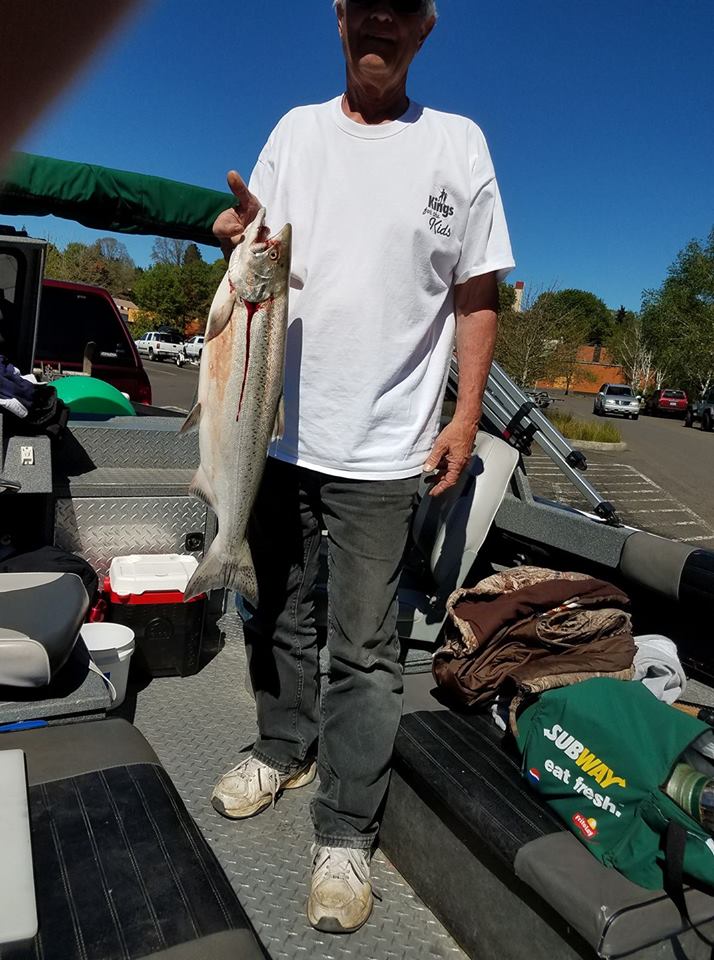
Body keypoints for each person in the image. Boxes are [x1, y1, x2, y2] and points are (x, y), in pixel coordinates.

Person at [210, 0, 515, 934]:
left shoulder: (459, 144)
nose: (382, 16)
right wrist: (237, 235)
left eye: (403, 5)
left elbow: (477, 295)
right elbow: (253, 245)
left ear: (426, 27)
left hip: (385, 450)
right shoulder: (295, 134)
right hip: (275, 434)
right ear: (339, 18)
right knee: (277, 613)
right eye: (365, 2)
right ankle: (283, 745)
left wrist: (465, 416)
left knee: (367, 649)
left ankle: (345, 829)